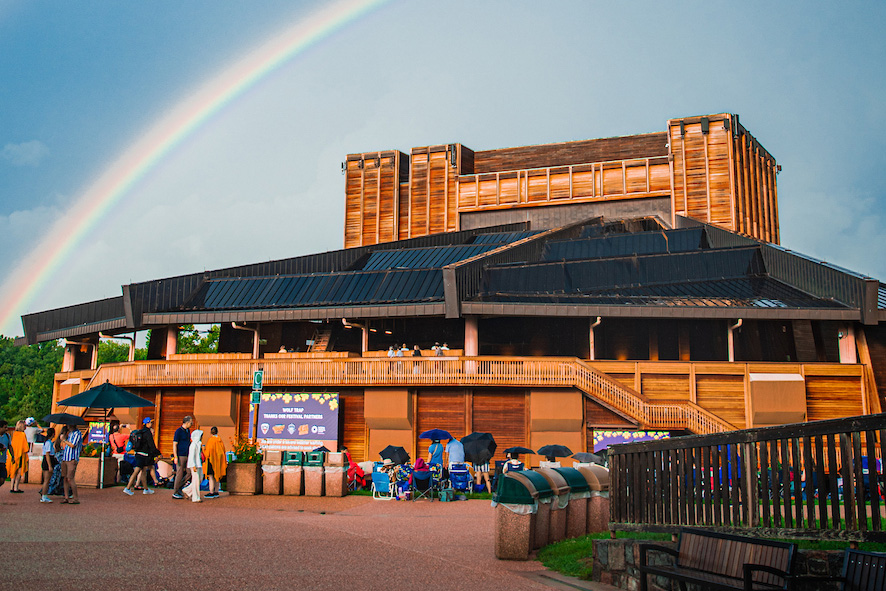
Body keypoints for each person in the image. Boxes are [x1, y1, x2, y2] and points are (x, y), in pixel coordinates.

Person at [123, 417, 158, 496]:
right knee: (137, 471)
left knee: (143, 471)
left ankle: (146, 489)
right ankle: (127, 488)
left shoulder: (140, 432)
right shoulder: (147, 432)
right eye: (150, 423)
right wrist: (157, 453)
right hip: (144, 454)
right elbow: (151, 444)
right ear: (147, 423)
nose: (151, 424)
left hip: (138, 454)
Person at [172, 415, 193, 500]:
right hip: (180, 455)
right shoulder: (178, 431)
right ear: (187, 422)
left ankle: (180, 486)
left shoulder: (188, 431)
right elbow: (174, 444)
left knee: (189, 472)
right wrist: (175, 456)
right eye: (191, 422)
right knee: (179, 473)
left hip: (187, 455)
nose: (191, 424)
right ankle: (175, 491)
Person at [60, 424, 83, 504]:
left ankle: (75, 498)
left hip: (72, 458)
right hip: (65, 457)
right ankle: (66, 496)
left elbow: (73, 445)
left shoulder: (77, 433)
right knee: (65, 478)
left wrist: (64, 440)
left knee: (70, 478)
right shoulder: (70, 433)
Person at [203, 426, 226, 499]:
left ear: (210, 432)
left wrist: (203, 449)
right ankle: (216, 491)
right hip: (218, 461)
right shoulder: (220, 440)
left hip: (211, 461)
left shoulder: (211, 440)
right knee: (217, 476)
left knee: (211, 477)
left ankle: (211, 492)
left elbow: (207, 453)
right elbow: (223, 451)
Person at [7, 420, 30, 493]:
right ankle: (16, 487)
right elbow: (25, 447)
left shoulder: (14, 434)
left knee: (13, 471)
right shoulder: (23, 435)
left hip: (13, 455)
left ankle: (11, 487)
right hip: (20, 455)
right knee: (19, 472)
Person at [186, 429, 204, 503]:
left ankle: (187, 490)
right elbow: (191, 456)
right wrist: (193, 465)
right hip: (194, 465)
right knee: (196, 480)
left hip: (198, 464)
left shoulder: (198, 444)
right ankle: (195, 497)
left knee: (200, 478)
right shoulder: (193, 445)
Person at [40, 427, 57, 503]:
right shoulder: (49, 443)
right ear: (53, 434)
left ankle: (44, 495)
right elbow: (47, 454)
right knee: (47, 480)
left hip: (46, 460)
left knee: (46, 480)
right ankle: (44, 495)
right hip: (48, 461)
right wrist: (50, 465)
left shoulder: (47, 442)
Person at [0, 420, 9, 492]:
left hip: (2, 461)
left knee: (3, 478)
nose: (6, 429)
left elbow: (10, 446)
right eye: (5, 427)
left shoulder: (7, 436)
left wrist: (13, 456)